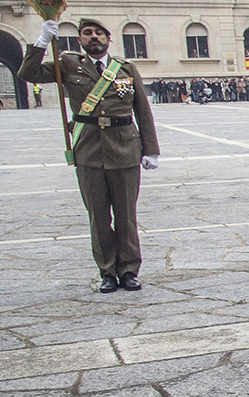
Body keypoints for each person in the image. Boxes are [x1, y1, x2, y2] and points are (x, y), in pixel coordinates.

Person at [19, 17, 162, 292]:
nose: (93, 37)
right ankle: (107, 272)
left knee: (126, 215)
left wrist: (151, 150)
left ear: (109, 38)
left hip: (125, 149)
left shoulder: (126, 68)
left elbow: (142, 110)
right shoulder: (69, 65)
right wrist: (41, 42)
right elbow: (29, 74)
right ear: (80, 40)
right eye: (87, 33)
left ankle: (129, 270)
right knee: (98, 216)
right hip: (89, 150)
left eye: (98, 33)